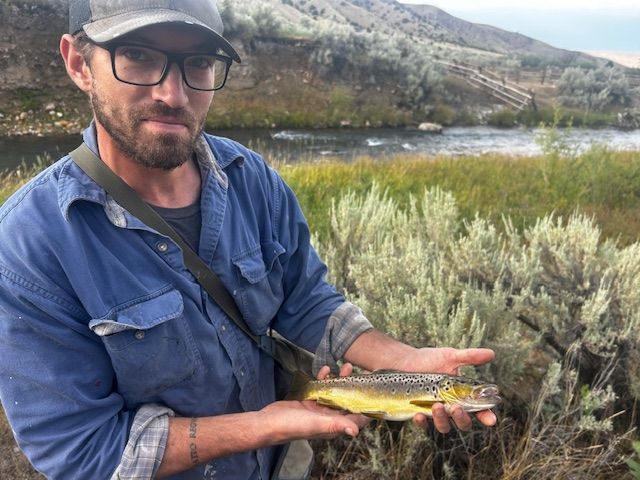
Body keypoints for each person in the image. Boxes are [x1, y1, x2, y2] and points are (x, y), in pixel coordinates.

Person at [0, 1, 497, 478]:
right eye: (139, 56)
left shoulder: (251, 177)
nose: (174, 94)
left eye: (198, 64)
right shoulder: (26, 246)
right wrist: (264, 426)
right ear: (78, 63)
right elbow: (82, 450)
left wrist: (400, 362)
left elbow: (305, 299)